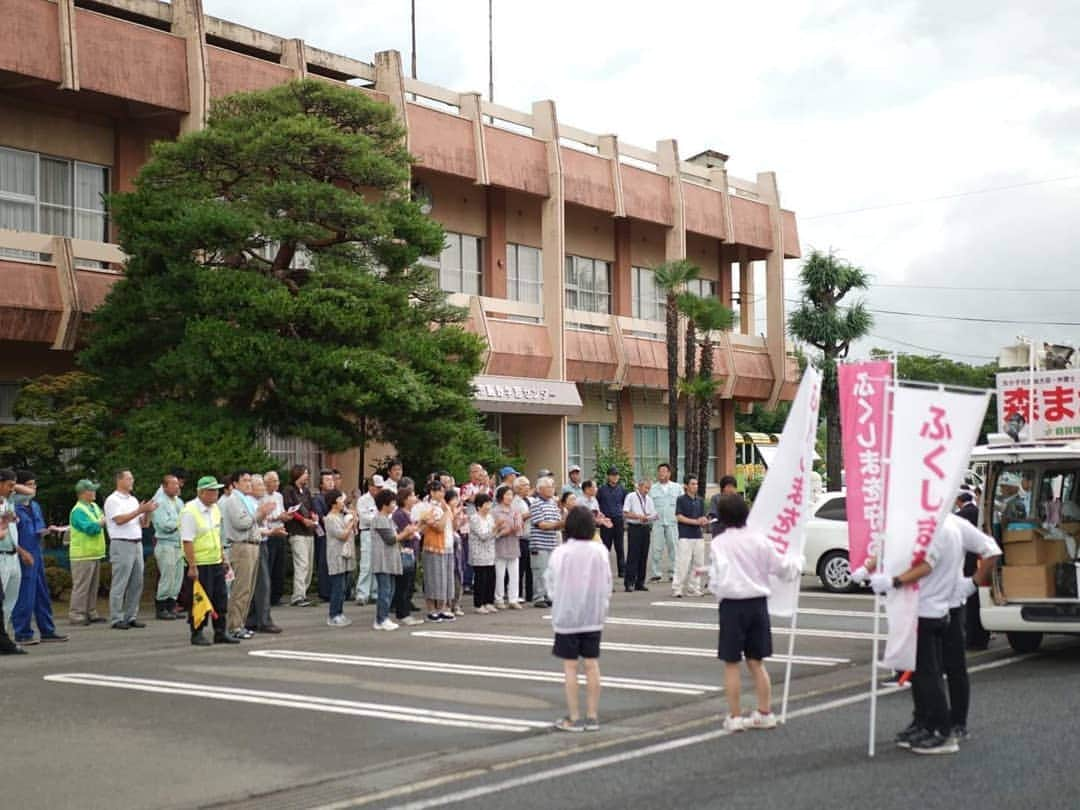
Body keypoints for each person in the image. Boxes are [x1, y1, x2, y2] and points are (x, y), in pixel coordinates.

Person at [703, 494, 802, 732]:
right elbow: (781, 568)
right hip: (757, 604)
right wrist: (797, 562)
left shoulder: (719, 543)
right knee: (757, 662)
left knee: (731, 663)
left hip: (732, 605)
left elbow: (717, 579)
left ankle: (735, 717)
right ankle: (765, 712)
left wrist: (712, 585)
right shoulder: (759, 539)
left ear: (723, 518)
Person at [869, 514, 966, 754]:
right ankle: (927, 724)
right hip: (931, 608)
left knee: (928, 675)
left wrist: (894, 582)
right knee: (922, 674)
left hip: (926, 610)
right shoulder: (948, 525)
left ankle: (943, 733)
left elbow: (926, 565)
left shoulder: (938, 528)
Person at [545, 505, 611, 732]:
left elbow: (551, 584)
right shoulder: (599, 551)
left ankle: (573, 717)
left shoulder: (561, 553)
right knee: (591, 664)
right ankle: (592, 716)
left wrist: (558, 601)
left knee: (570, 667)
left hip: (567, 616)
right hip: (593, 615)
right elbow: (607, 584)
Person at [11, 471, 67, 644]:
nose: (33, 488)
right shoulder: (13, 506)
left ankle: (47, 630)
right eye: (29, 484)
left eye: (34, 484)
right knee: (25, 594)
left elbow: (38, 527)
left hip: (37, 550)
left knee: (42, 592)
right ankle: (23, 632)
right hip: (23, 552)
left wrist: (46, 530)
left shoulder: (35, 506)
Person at [181, 476, 236, 646]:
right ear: (202, 492)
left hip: (215, 560)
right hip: (200, 563)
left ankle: (220, 631)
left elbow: (217, 534)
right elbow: (187, 540)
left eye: (217, 490)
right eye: (212, 491)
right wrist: (192, 565)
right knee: (199, 599)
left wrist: (223, 557)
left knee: (220, 597)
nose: (216, 494)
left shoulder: (215, 509)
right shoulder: (189, 511)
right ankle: (197, 632)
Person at [221, 470, 274, 639]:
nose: (248, 483)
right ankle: (233, 626)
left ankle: (241, 624)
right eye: (245, 480)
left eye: (250, 480)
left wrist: (261, 515)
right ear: (235, 484)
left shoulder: (245, 500)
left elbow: (253, 522)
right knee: (240, 589)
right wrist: (260, 513)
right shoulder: (233, 500)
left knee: (249, 590)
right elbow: (242, 523)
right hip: (241, 546)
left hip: (253, 545)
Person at [105, 469, 157, 630]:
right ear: (119, 480)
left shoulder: (133, 499)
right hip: (121, 542)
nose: (132, 481)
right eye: (129, 478)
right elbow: (119, 520)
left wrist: (147, 512)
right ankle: (116, 617)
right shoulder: (113, 500)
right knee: (121, 581)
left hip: (136, 542)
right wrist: (139, 511)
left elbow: (144, 524)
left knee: (137, 581)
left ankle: (131, 615)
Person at [67, 479, 107, 627]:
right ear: (84, 493)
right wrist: (101, 523)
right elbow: (90, 528)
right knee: (82, 586)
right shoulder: (78, 510)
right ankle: (77, 614)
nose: (94, 493)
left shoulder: (94, 506)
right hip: (82, 554)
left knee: (92, 586)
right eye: (92, 490)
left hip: (94, 553)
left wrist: (100, 522)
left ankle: (91, 612)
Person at [246, 474, 282, 634]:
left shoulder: (257, 502)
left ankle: (253, 618)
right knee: (262, 584)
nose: (263, 488)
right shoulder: (250, 503)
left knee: (257, 584)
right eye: (259, 485)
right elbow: (251, 526)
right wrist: (271, 531)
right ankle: (264, 620)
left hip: (262, 542)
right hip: (257, 544)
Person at [372, 489, 412, 630]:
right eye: (392, 502)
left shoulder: (387, 519)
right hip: (382, 560)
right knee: (385, 590)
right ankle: (381, 619)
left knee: (390, 590)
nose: (394, 505)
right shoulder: (379, 519)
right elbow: (390, 539)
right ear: (384, 504)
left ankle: (383, 618)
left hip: (389, 559)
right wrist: (405, 533)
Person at [0, 470, 34, 640]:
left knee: (10, 601)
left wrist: (21, 551)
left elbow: (30, 492)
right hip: (1, 556)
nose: (12, 489)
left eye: (14, 486)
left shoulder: (9, 501)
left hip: (13, 554)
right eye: (9, 485)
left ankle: (4, 636)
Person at [955, 491, 990, 649]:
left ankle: (971, 639)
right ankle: (982, 638)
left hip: (968, 563)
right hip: (982, 561)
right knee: (980, 601)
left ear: (959, 501)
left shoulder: (960, 516)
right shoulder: (979, 513)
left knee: (970, 604)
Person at [420, 480, 455, 623]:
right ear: (432, 492)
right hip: (433, 546)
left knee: (445, 578)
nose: (442, 493)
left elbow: (452, 525)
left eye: (443, 490)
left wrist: (449, 511)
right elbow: (438, 527)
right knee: (433, 578)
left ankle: (443, 608)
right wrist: (447, 511)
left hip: (447, 545)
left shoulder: (444, 506)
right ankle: (431, 609)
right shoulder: (427, 507)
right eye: (439, 490)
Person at [152, 473, 186, 621]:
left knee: (177, 577)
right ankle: (161, 607)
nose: (176, 487)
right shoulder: (159, 502)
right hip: (166, 544)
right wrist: (179, 522)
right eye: (173, 484)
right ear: (165, 487)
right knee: (167, 576)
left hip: (178, 544)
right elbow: (165, 525)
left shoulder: (179, 502)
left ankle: (172, 605)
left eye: (177, 484)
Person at [282, 465, 317, 607]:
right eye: (305, 473)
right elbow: (289, 509)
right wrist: (303, 520)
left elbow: (311, 506)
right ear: (297, 475)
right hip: (297, 531)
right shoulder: (289, 490)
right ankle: (298, 595)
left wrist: (313, 515)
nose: (307, 476)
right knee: (301, 563)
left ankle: (304, 592)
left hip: (309, 531)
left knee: (308, 564)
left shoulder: (307, 491)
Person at [322, 488, 356, 627]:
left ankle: (340, 613)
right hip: (336, 555)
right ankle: (333, 615)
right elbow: (342, 535)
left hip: (344, 555)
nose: (343, 503)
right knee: (337, 587)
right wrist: (350, 524)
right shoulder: (330, 518)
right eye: (341, 500)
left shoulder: (342, 516)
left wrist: (353, 518)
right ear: (334, 502)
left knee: (343, 587)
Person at [391, 487, 424, 626]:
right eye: (411, 495)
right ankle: (402, 613)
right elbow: (408, 533)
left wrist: (421, 524)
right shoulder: (399, 514)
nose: (414, 497)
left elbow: (416, 532)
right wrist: (420, 524)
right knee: (403, 584)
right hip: (404, 552)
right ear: (405, 499)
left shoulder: (410, 513)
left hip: (412, 551)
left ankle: (405, 611)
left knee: (409, 584)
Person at [529, 477, 563, 608]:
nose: (552, 489)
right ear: (540, 489)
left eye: (553, 487)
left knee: (550, 572)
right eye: (549, 487)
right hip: (539, 543)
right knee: (540, 571)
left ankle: (549, 595)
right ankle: (538, 597)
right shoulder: (536, 504)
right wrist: (558, 524)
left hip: (552, 542)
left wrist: (561, 523)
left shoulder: (552, 503)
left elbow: (557, 523)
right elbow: (541, 524)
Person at [673, 475, 709, 598]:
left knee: (698, 564)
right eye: (692, 484)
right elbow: (679, 517)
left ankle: (694, 588)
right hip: (685, 536)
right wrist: (695, 522)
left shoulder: (700, 500)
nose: (695, 486)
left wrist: (704, 520)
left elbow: (702, 517)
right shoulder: (681, 499)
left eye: (696, 484)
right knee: (683, 563)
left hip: (698, 536)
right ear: (686, 486)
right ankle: (677, 588)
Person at [622, 478, 658, 592]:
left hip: (645, 528)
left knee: (644, 555)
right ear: (639, 486)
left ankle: (640, 582)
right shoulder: (631, 496)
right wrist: (638, 516)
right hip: (635, 527)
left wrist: (653, 516)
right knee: (633, 555)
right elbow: (626, 513)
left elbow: (652, 513)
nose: (647, 490)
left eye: (649, 488)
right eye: (646, 488)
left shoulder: (649, 499)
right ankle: (629, 582)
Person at [649, 463, 682, 583]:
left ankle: (674, 572)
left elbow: (681, 504)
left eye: (664, 471)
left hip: (672, 522)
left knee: (673, 547)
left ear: (669, 473)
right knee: (656, 548)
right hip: (657, 522)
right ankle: (656, 573)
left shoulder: (677, 487)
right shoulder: (653, 488)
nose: (661, 473)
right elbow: (649, 505)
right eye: (660, 471)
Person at [492, 484, 523, 610]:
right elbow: (493, 532)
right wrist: (503, 531)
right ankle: (499, 598)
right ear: (501, 497)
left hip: (513, 545)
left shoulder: (515, 512)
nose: (510, 498)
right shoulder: (494, 511)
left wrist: (516, 529)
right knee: (500, 575)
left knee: (514, 575)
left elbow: (520, 532)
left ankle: (513, 599)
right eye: (507, 495)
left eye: (511, 495)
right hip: (500, 547)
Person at [354, 476, 383, 606]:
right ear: (370, 487)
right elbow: (365, 518)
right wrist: (378, 518)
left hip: (380, 533)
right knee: (366, 564)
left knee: (378, 563)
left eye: (381, 487)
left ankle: (375, 592)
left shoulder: (383, 499)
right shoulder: (363, 500)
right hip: (367, 532)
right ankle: (362, 593)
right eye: (377, 487)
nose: (379, 489)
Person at [262, 470, 288, 608]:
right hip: (270, 532)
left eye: (278, 481)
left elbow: (282, 511)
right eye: (274, 481)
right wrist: (277, 517)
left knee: (280, 565)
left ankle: (276, 596)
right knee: (269, 565)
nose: (277, 484)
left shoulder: (279, 496)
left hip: (281, 530)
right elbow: (263, 516)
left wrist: (286, 515)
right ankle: (267, 596)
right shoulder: (262, 497)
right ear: (267, 483)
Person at [469, 492, 497, 613]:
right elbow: (483, 536)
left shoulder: (490, 517)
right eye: (486, 503)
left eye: (489, 503)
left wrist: (498, 530)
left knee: (491, 577)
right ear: (479, 506)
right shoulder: (474, 518)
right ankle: (478, 604)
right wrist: (496, 529)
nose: (489, 506)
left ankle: (489, 602)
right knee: (481, 579)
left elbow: (493, 535)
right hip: (479, 552)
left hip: (490, 551)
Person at [311, 469, 336, 604]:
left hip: (336, 534)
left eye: (332, 480)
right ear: (321, 484)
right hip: (324, 534)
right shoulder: (318, 498)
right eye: (327, 480)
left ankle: (335, 590)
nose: (331, 482)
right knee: (323, 562)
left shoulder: (336, 497)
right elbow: (321, 517)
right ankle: (324, 591)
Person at [597, 467, 627, 578]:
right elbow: (597, 503)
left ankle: (622, 571)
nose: (615, 477)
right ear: (608, 476)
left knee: (620, 546)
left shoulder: (622, 489)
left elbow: (625, 503)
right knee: (605, 547)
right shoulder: (602, 489)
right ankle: (604, 571)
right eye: (613, 475)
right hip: (606, 520)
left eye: (617, 475)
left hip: (618, 519)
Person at [512, 476, 534, 603]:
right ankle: (518, 594)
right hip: (521, 538)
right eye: (525, 485)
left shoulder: (530, 499)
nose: (528, 487)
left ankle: (530, 594)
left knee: (531, 568)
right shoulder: (515, 501)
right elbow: (516, 518)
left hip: (532, 537)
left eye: (528, 484)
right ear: (518, 487)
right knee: (520, 568)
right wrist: (530, 513)